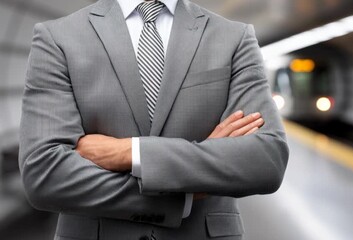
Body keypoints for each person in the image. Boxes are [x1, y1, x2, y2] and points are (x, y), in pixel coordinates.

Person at [19, 0, 289, 239]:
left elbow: (266, 160)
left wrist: (131, 151)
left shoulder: (235, 37)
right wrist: (184, 194)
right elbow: (44, 174)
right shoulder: (57, 37)